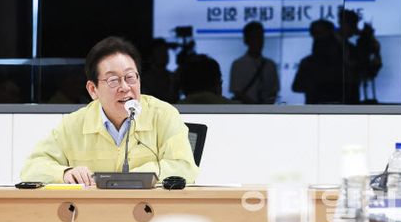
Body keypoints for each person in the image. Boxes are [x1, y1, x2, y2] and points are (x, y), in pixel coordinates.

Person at [20, 36, 198, 185]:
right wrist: (65, 173)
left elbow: (185, 168)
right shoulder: (74, 124)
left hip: (149, 212)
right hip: (94, 214)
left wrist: (135, 177)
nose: (125, 87)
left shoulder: (163, 115)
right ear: (93, 90)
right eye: (113, 80)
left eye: (130, 77)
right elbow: (31, 168)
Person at [229, 21, 279, 104]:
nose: (258, 41)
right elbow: (237, 92)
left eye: (260, 37)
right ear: (246, 40)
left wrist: (266, 106)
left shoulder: (271, 65)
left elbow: (274, 91)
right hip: (245, 110)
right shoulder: (238, 65)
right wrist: (257, 107)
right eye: (254, 37)